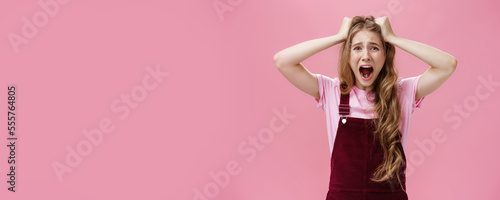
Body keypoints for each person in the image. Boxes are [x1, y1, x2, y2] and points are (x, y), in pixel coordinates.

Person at [273, 15, 457, 199]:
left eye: (374, 48)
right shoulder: (332, 91)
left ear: (385, 55)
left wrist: (394, 38)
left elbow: (447, 65)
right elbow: (283, 61)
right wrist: (338, 37)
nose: (366, 55)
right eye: (357, 48)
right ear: (348, 55)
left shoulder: (401, 93)